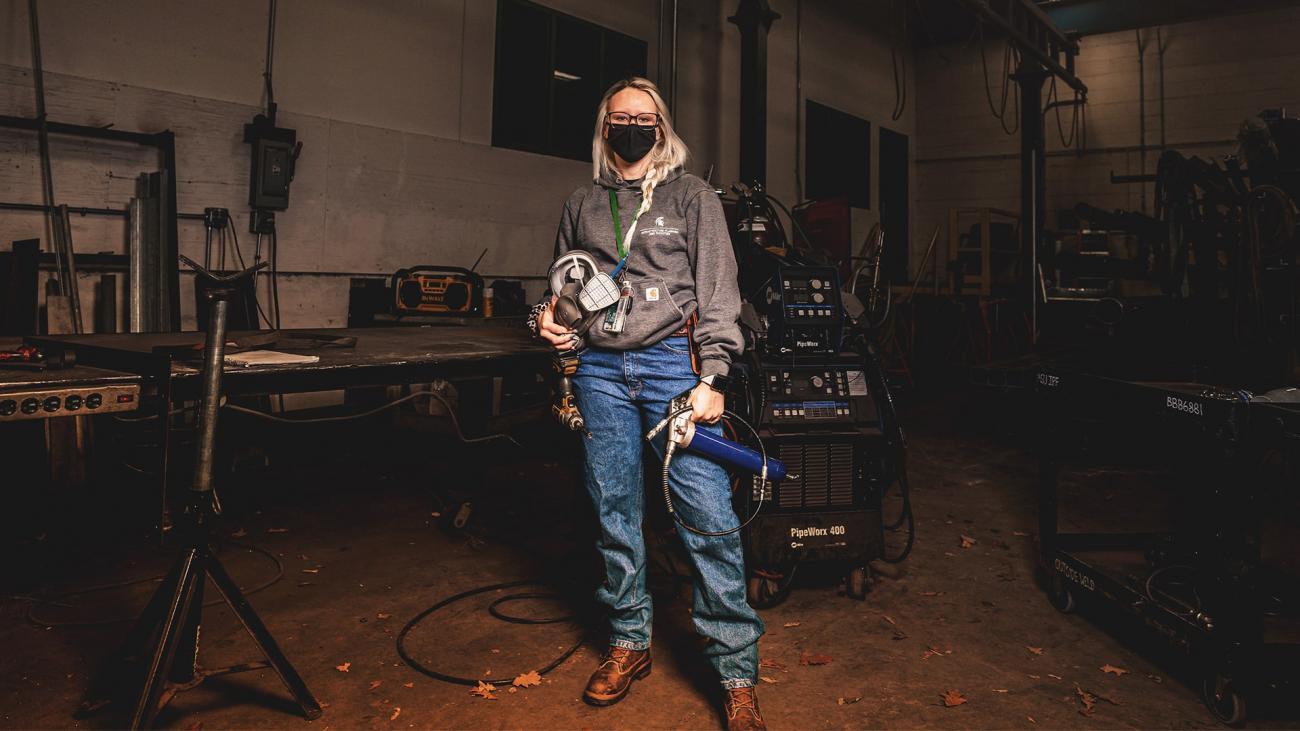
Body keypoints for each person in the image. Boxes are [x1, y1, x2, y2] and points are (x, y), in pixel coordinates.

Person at [529, 77, 767, 731]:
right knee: (614, 511)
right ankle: (631, 642)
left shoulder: (692, 198)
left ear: (661, 127)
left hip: (674, 371)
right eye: (618, 117)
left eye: (643, 116)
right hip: (600, 372)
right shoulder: (582, 202)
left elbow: (719, 293)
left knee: (708, 516)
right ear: (605, 128)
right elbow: (566, 291)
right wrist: (549, 323)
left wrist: (713, 375)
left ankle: (737, 673)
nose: (630, 126)